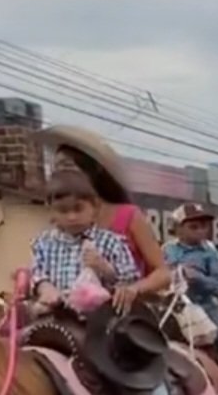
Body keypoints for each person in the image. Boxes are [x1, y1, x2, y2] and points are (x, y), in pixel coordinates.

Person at [30, 171, 176, 395]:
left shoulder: (110, 241)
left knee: (122, 369)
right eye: (63, 211)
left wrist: (106, 272)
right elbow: (37, 275)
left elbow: (127, 280)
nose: (72, 217)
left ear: (95, 208)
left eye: (79, 208)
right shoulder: (44, 243)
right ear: (52, 212)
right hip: (54, 318)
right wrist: (44, 288)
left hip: (100, 321)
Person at [42, 126, 171, 294]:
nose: (61, 173)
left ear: (93, 169)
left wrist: (133, 289)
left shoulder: (128, 216)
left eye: (67, 165)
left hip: (123, 311)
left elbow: (163, 273)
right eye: (56, 168)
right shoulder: (61, 223)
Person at [163, 203, 218, 395]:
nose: (200, 231)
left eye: (203, 226)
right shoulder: (167, 250)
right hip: (173, 306)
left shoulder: (209, 253)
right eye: (193, 227)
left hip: (204, 307)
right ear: (178, 228)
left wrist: (198, 279)